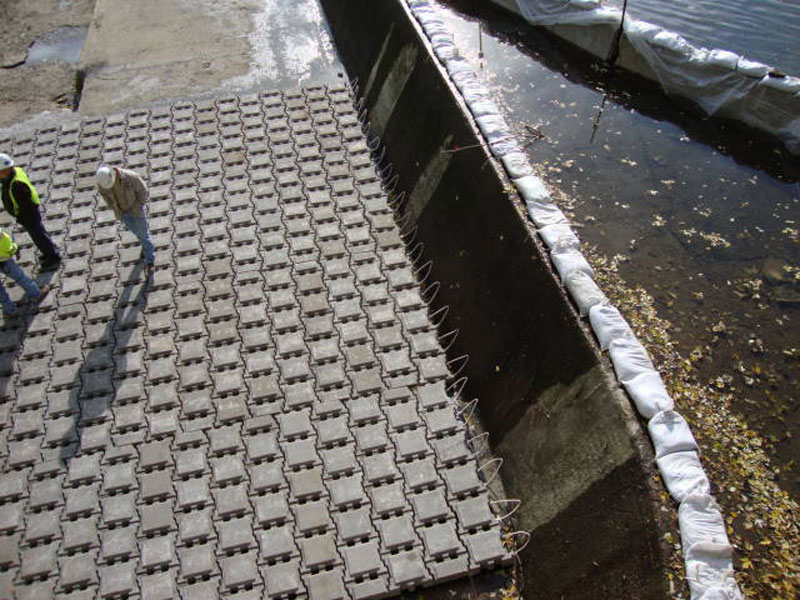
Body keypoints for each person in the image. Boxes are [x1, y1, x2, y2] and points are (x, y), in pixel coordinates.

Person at [0, 153, 62, 270]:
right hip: (30, 213)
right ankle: (50, 251)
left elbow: (25, 205)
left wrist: (21, 218)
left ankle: (53, 258)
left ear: (3, 171)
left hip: (28, 216)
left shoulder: (17, 185)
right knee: (40, 234)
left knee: (38, 236)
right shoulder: (15, 172)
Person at [95, 165, 155, 275]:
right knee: (138, 233)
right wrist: (113, 207)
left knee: (144, 236)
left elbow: (143, 191)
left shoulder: (130, 177)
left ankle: (150, 261)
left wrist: (138, 206)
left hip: (135, 211)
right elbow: (104, 194)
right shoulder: (102, 182)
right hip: (122, 213)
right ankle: (145, 247)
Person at [0, 228, 50, 316]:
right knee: (20, 277)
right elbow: (6, 245)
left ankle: (10, 310)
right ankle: (35, 294)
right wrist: (15, 249)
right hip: (3, 262)